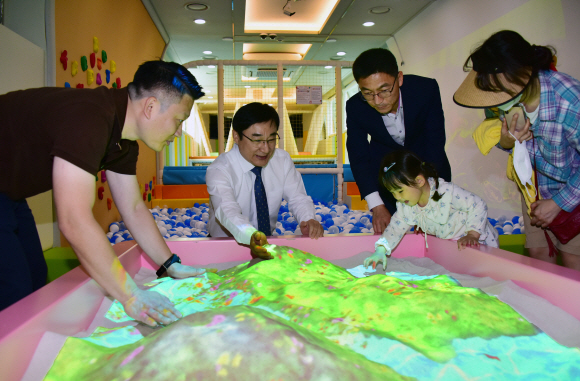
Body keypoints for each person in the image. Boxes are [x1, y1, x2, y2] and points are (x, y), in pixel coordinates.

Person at [0, 60, 210, 326]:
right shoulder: (89, 117)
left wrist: (170, 264)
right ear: (151, 106)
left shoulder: (123, 141)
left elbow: (133, 207)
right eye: (178, 120)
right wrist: (131, 296)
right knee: (12, 287)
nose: (179, 132)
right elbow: (73, 220)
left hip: (9, 193)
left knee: (34, 274)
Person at [453, 30, 580, 270]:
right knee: (538, 254)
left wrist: (558, 203)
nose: (495, 100)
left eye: (497, 90)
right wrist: (507, 140)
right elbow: (512, 145)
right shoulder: (508, 99)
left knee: (573, 260)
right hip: (533, 189)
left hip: (571, 192)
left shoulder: (569, 101)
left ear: (522, 73)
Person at [346, 48, 452, 236]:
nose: (377, 100)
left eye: (384, 90)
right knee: (392, 238)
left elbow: (434, 142)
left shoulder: (425, 90)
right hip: (389, 182)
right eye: (368, 93)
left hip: (429, 174)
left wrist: (426, 198)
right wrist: (376, 205)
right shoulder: (356, 107)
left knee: (437, 235)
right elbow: (358, 155)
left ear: (399, 79)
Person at [206, 102, 324, 259]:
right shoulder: (220, 169)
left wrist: (308, 219)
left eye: (271, 139)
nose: (266, 148)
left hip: (268, 246)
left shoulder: (281, 160)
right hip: (226, 248)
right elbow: (227, 211)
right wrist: (252, 236)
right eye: (257, 140)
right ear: (236, 136)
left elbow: (297, 197)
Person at [363, 151, 498, 269]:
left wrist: (473, 234)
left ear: (419, 181)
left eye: (400, 191)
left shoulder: (445, 192)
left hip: (478, 240)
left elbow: (477, 204)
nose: (397, 197)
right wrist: (381, 250)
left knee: (488, 269)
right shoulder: (407, 205)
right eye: (393, 193)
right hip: (454, 245)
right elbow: (395, 228)